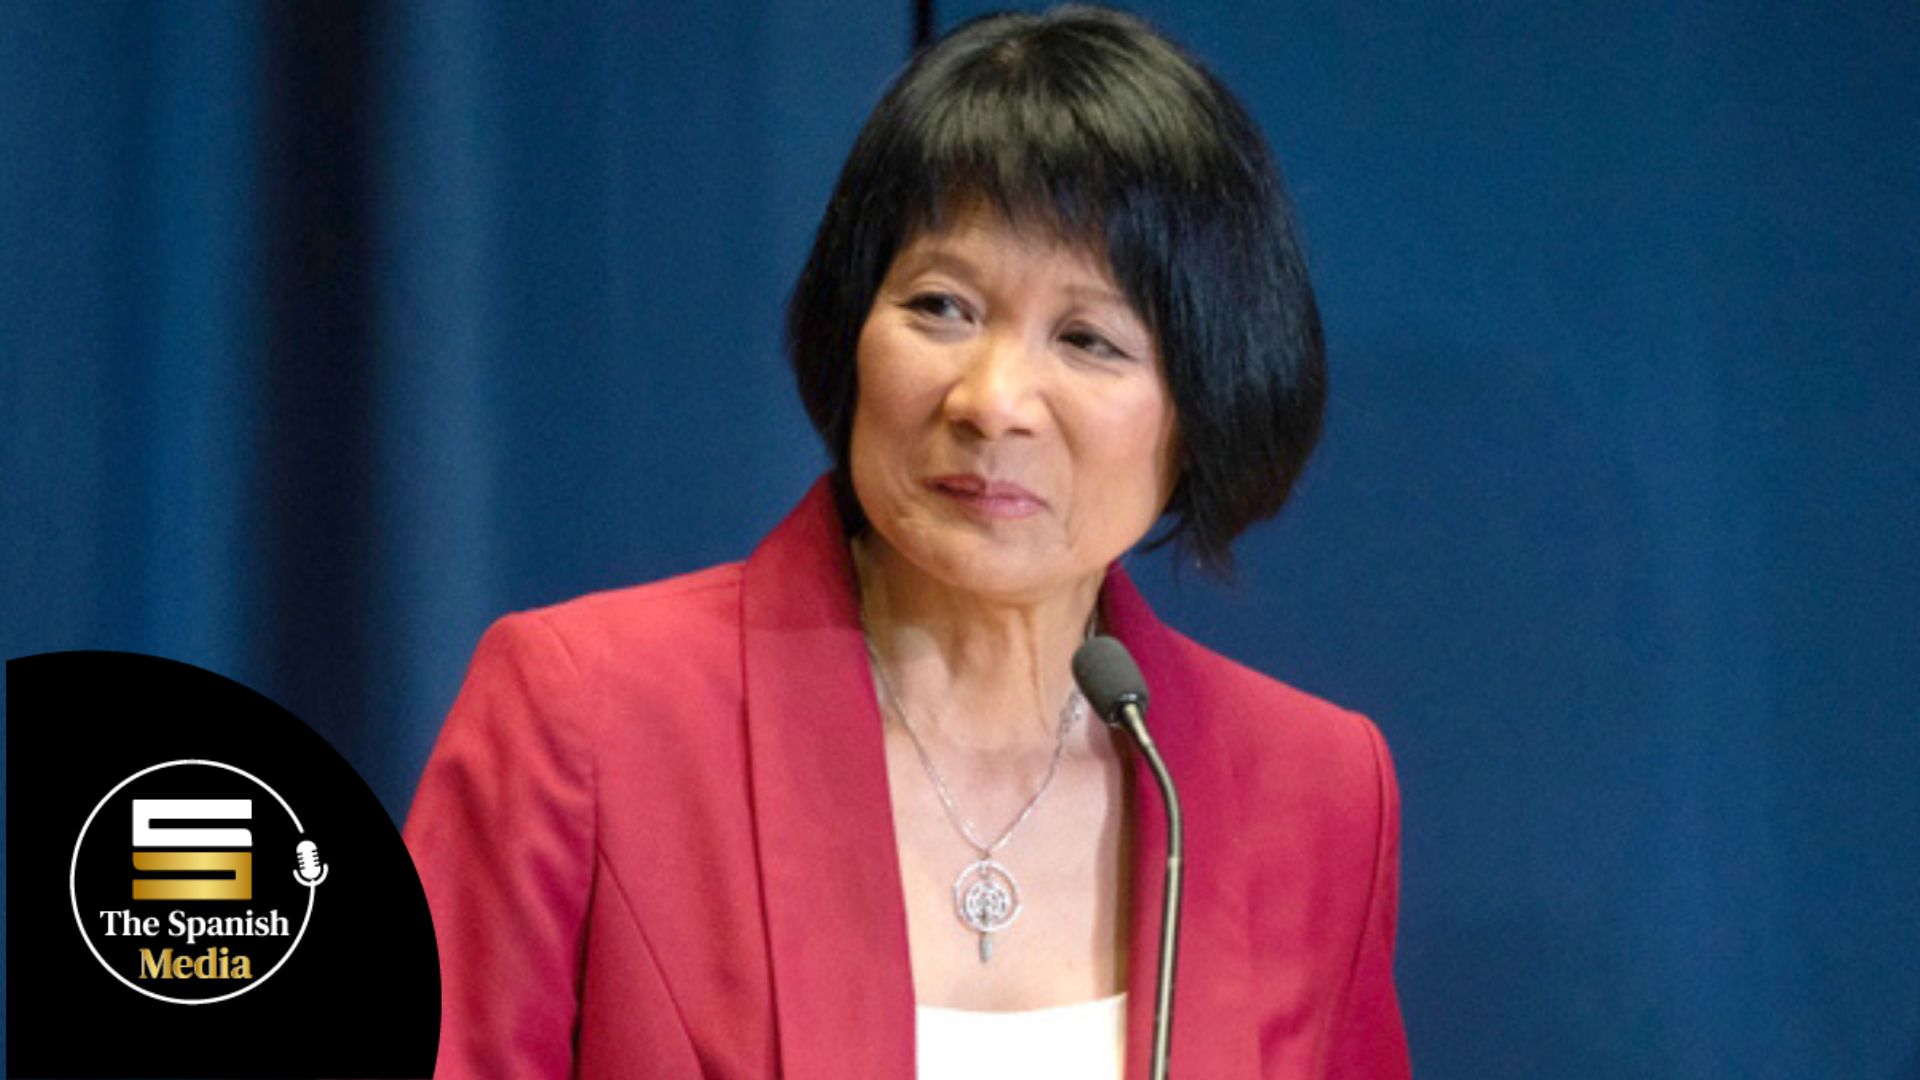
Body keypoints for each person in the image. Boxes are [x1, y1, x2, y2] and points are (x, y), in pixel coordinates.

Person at [402, 7, 1410, 1078]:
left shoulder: (1315, 790)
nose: (992, 401)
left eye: (1087, 339)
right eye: (942, 306)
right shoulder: (590, 714)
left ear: (1208, 403)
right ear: (853, 326)